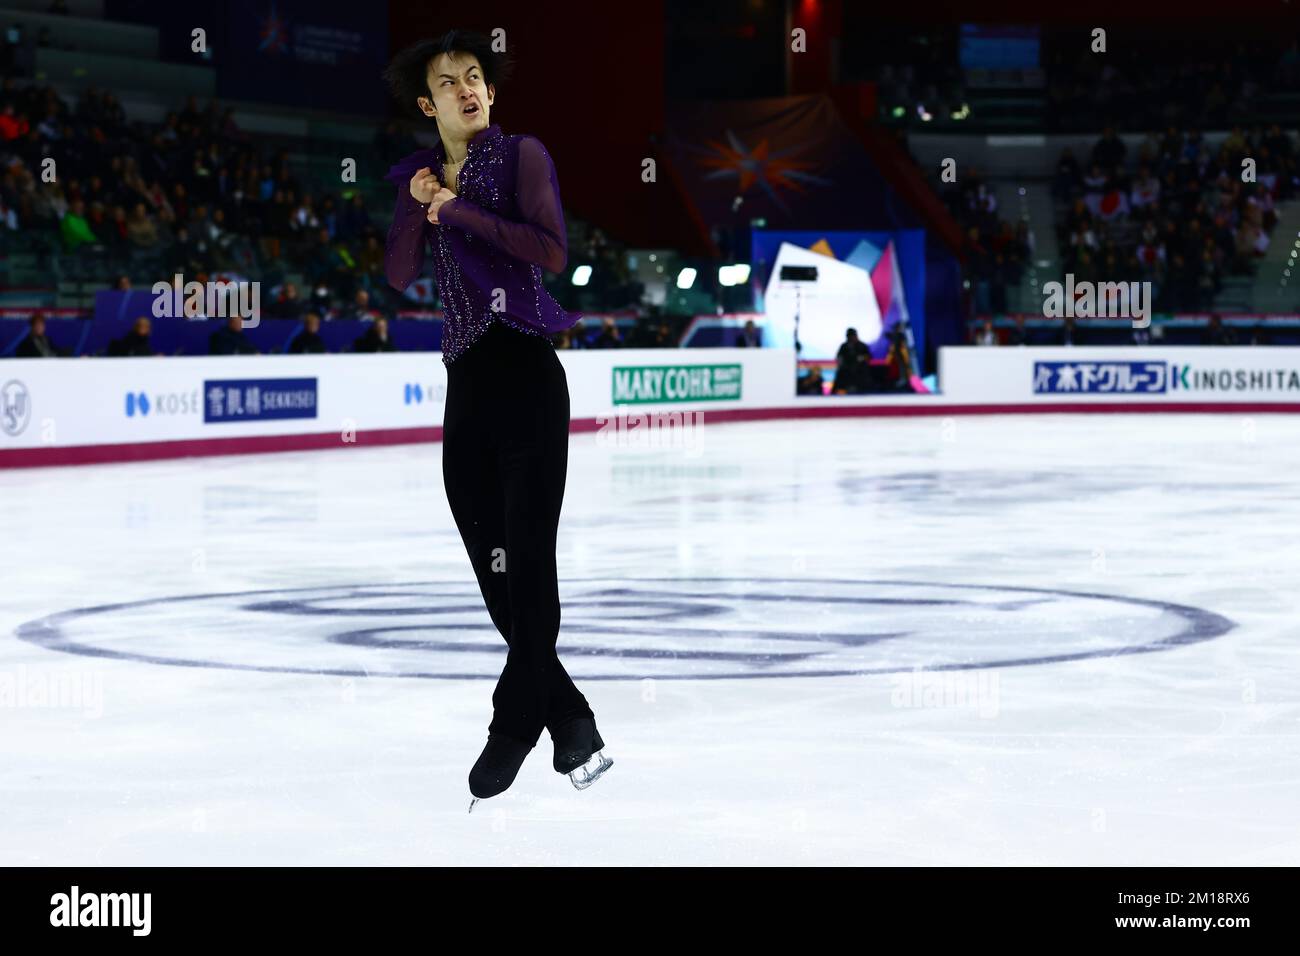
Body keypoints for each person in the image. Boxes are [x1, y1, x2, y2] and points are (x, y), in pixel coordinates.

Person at [382, 29, 611, 808]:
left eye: (476, 76)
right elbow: (398, 272)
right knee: (493, 569)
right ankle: (570, 714)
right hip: (465, 389)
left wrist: (459, 212)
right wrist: (421, 207)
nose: (467, 89)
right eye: (449, 83)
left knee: (530, 557)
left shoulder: (523, 158)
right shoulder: (417, 177)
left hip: (528, 378)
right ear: (428, 103)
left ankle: (514, 722)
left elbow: (550, 250)